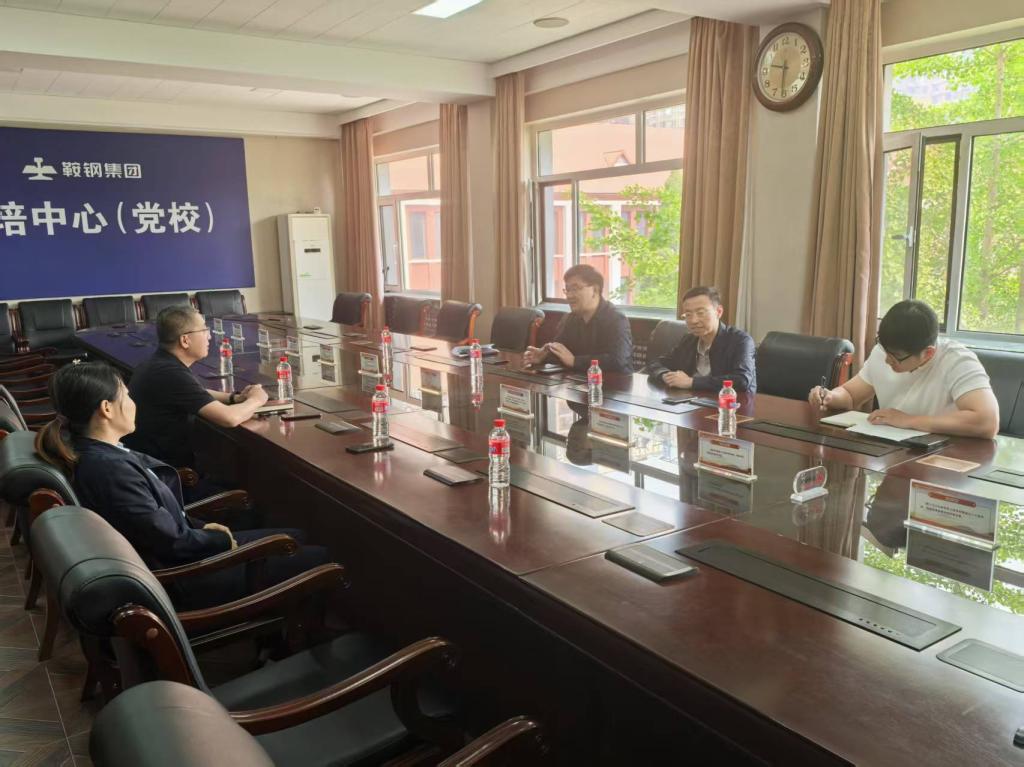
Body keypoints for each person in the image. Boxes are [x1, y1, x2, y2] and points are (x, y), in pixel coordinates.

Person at [35, 361, 328, 610]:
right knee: (316, 556)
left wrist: (203, 527)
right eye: (127, 395)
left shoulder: (97, 453)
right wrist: (220, 539)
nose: (134, 403)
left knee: (296, 536)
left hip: (178, 554)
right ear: (107, 409)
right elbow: (172, 543)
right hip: (185, 579)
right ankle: (294, 641)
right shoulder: (109, 470)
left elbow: (159, 525)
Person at [808, 300, 999, 439]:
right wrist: (830, 396)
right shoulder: (883, 352)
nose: (887, 360)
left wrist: (909, 420)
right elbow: (850, 395)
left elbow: (987, 421)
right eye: (885, 350)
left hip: (943, 457)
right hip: (891, 452)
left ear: (928, 353)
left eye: (896, 357)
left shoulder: (957, 361)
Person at [124, 304, 267, 474]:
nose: (210, 336)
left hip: (149, 464)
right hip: (167, 475)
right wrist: (257, 399)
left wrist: (234, 398)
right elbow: (229, 418)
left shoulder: (159, 363)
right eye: (204, 330)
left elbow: (195, 392)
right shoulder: (169, 373)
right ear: (185, 340)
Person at [523, 264, 633, 373]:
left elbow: (618, 361)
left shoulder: (616, 319)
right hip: (580, 382)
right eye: (567, 290)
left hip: (613, 383)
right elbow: (561, 354)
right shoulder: (569, 319)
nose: (569, 295)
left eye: (575, 289)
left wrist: (575, 361)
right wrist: (543, 356)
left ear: (595, 290)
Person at [647, 286, 756, 393]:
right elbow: (655, 363)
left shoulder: (740, 341)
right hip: (692, 401)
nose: (693, 320)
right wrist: (666, 376)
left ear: (718, 312)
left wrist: (691, 382)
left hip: (731, 402)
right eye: (688, 314)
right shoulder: (689, 340)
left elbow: (742, 380)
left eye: (700, 313)